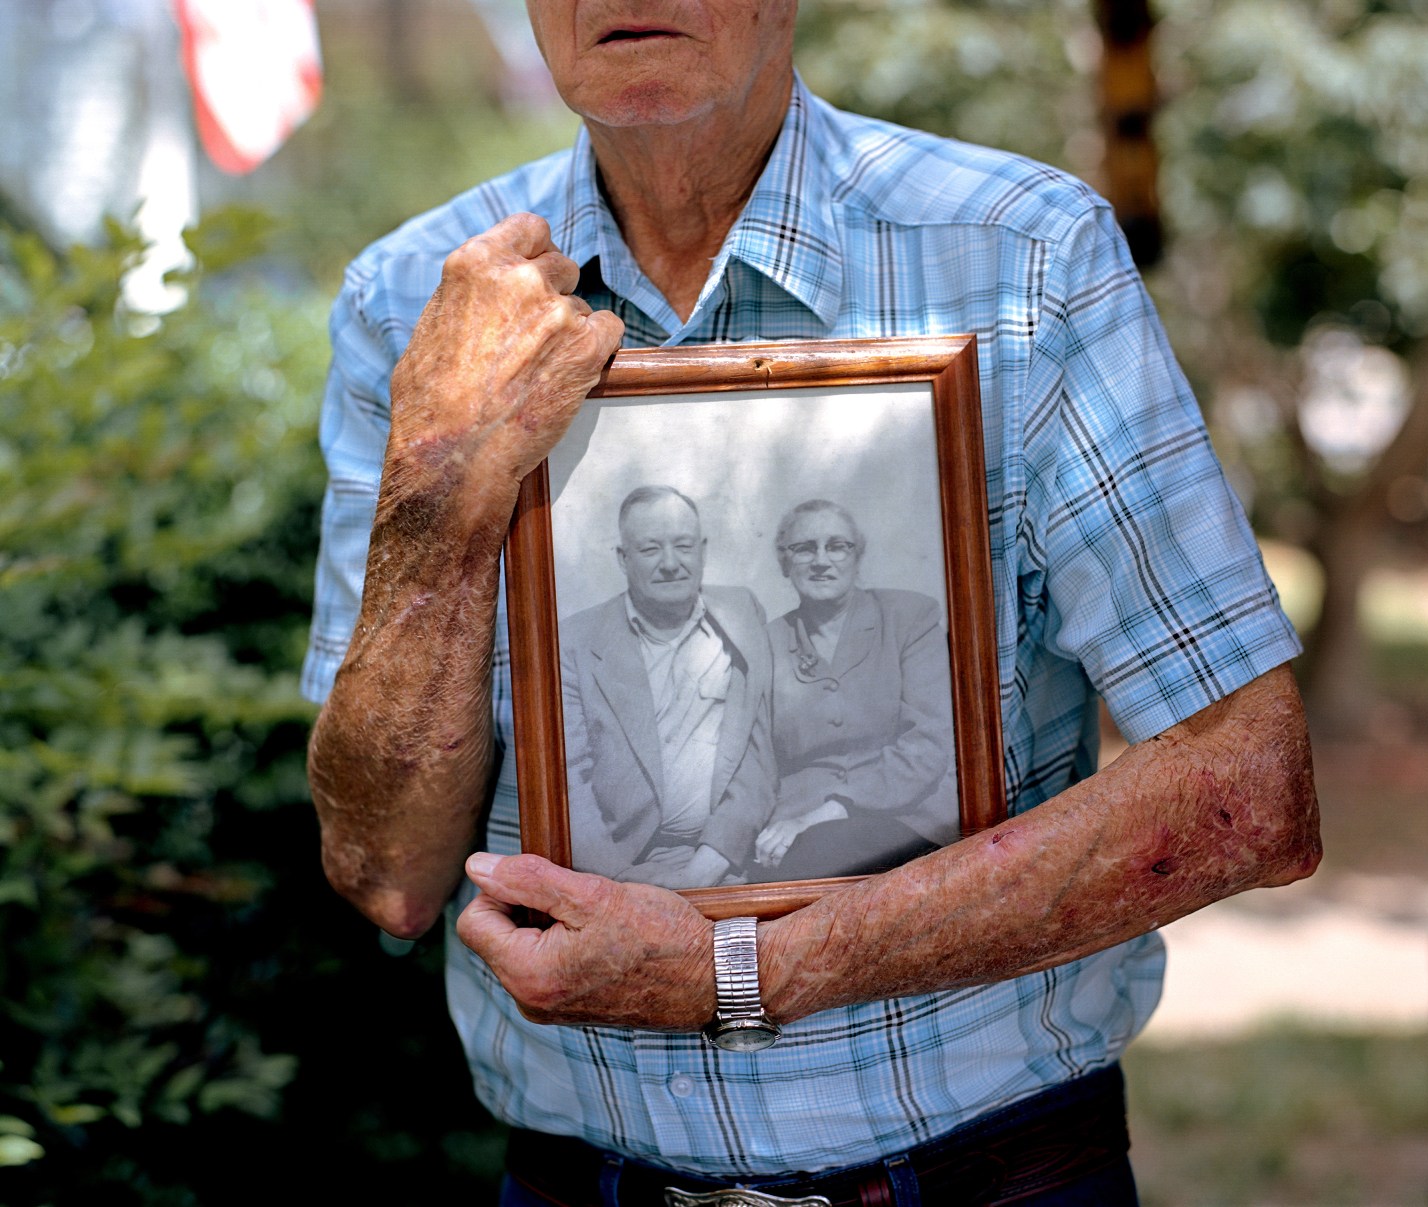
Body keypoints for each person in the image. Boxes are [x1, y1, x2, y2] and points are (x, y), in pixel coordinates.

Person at [302, 2, 1320, 1203]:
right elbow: (387, 871)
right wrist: (442, 475)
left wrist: (736, 971)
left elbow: (1245, 793)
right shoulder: (414, 301)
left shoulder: (1019, 254)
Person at [559, 485, 775, 888]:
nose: (671, 563)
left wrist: (712, 861)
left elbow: (758, 752)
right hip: (622, 866)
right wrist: (617, 882)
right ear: (623, 559)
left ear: (703, 550)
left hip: (724, 858)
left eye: (684, 545)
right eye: (650, 549)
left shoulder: (743, 613)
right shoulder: (575, 641)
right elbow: (568, 782)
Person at [754, 499, 959, 882]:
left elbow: (929, 743)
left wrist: (827, 811)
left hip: (907, 812)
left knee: (820, 857)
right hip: (795, 822)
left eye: (836, 546)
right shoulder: (766, 641)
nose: (821, 560)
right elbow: (757, 762)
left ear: (857, 556)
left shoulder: (909, 617)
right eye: (804, 548)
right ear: (784, 563)